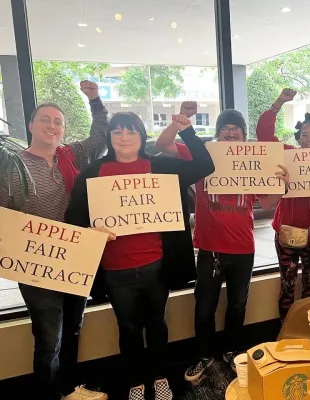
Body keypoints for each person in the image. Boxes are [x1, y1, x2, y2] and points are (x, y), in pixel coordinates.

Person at [65, 112, 214, 400]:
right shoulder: (93, 173)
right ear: (110, 137)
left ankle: (160, 377)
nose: (124, 137)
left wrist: (187, 131)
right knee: (129, 328)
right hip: (115, 268)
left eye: (131, 131)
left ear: (141, 136)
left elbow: (205, 165)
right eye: (117, 132)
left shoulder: (158, 166)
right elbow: (74, 218)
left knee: (157, 325)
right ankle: (135, 380)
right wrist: (91, 229)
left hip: (156, 265)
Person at [154, 104, 290, 381]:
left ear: (243, 135)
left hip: (244, 248)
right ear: (217, 134)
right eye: (225, 128)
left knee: (238, 305)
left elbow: (268, 202)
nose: (230, 133)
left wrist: (282, 186)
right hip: (210, 247)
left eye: (236, 129)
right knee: (205, 306)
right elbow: (163, 144)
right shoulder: (203, 155)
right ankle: (204, 355)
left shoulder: (255, 162)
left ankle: (231, 350)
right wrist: (181, 121)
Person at [0, 81, 108, 400]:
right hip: (36, 264)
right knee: (49, 339)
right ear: (31, 126)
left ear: (63, 130)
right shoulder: (11, 165)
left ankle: (69, 389)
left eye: (57, 121)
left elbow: (100, 136)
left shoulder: (70, 154)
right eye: (45, 119)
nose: (52, 125)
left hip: (75, 260)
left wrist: (95, 100)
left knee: (74, 328)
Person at [256, 89, 310, 321]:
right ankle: (286, 330)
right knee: (288, 283)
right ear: (298, 138)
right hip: (288, 233)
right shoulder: (287, 155)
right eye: (305, 135)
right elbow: (264, 135)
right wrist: (278, 103)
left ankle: (308, 329)